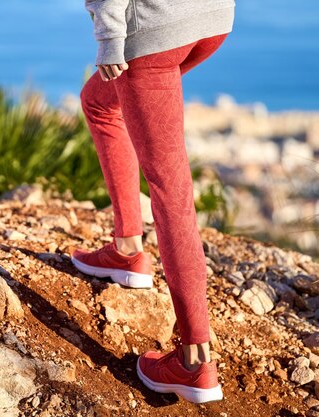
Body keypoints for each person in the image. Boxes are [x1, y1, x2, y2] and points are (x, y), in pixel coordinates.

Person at [70, 0, 235, 404]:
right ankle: (127, 248)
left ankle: (195, 358)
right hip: (209, 22)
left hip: (152, 32)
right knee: (100, 102)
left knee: (170, 191)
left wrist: (111, 38)